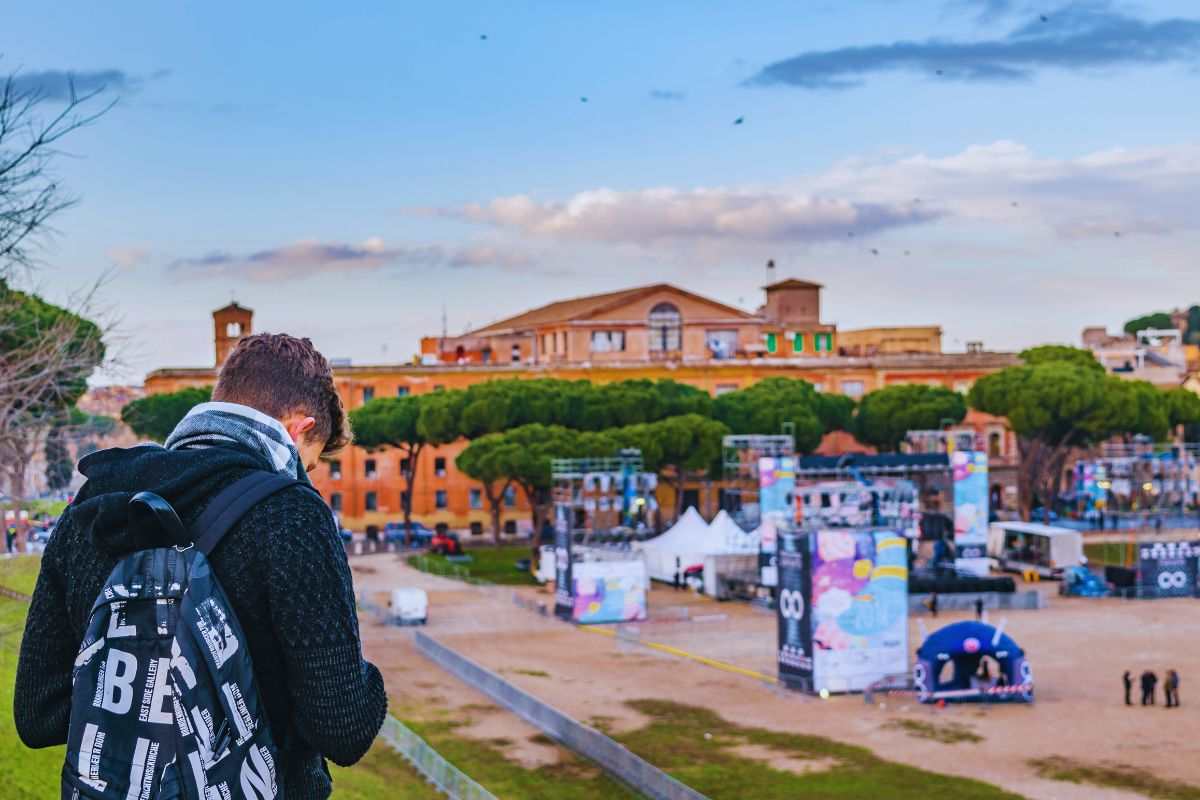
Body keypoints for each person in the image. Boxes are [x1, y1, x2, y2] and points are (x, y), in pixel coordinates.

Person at [14, 333, 387, 799]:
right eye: (308, 463)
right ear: (298, 429)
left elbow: (38, 715)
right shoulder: (292, 512)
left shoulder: (93, 502)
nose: (303, 475)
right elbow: (343, 728)